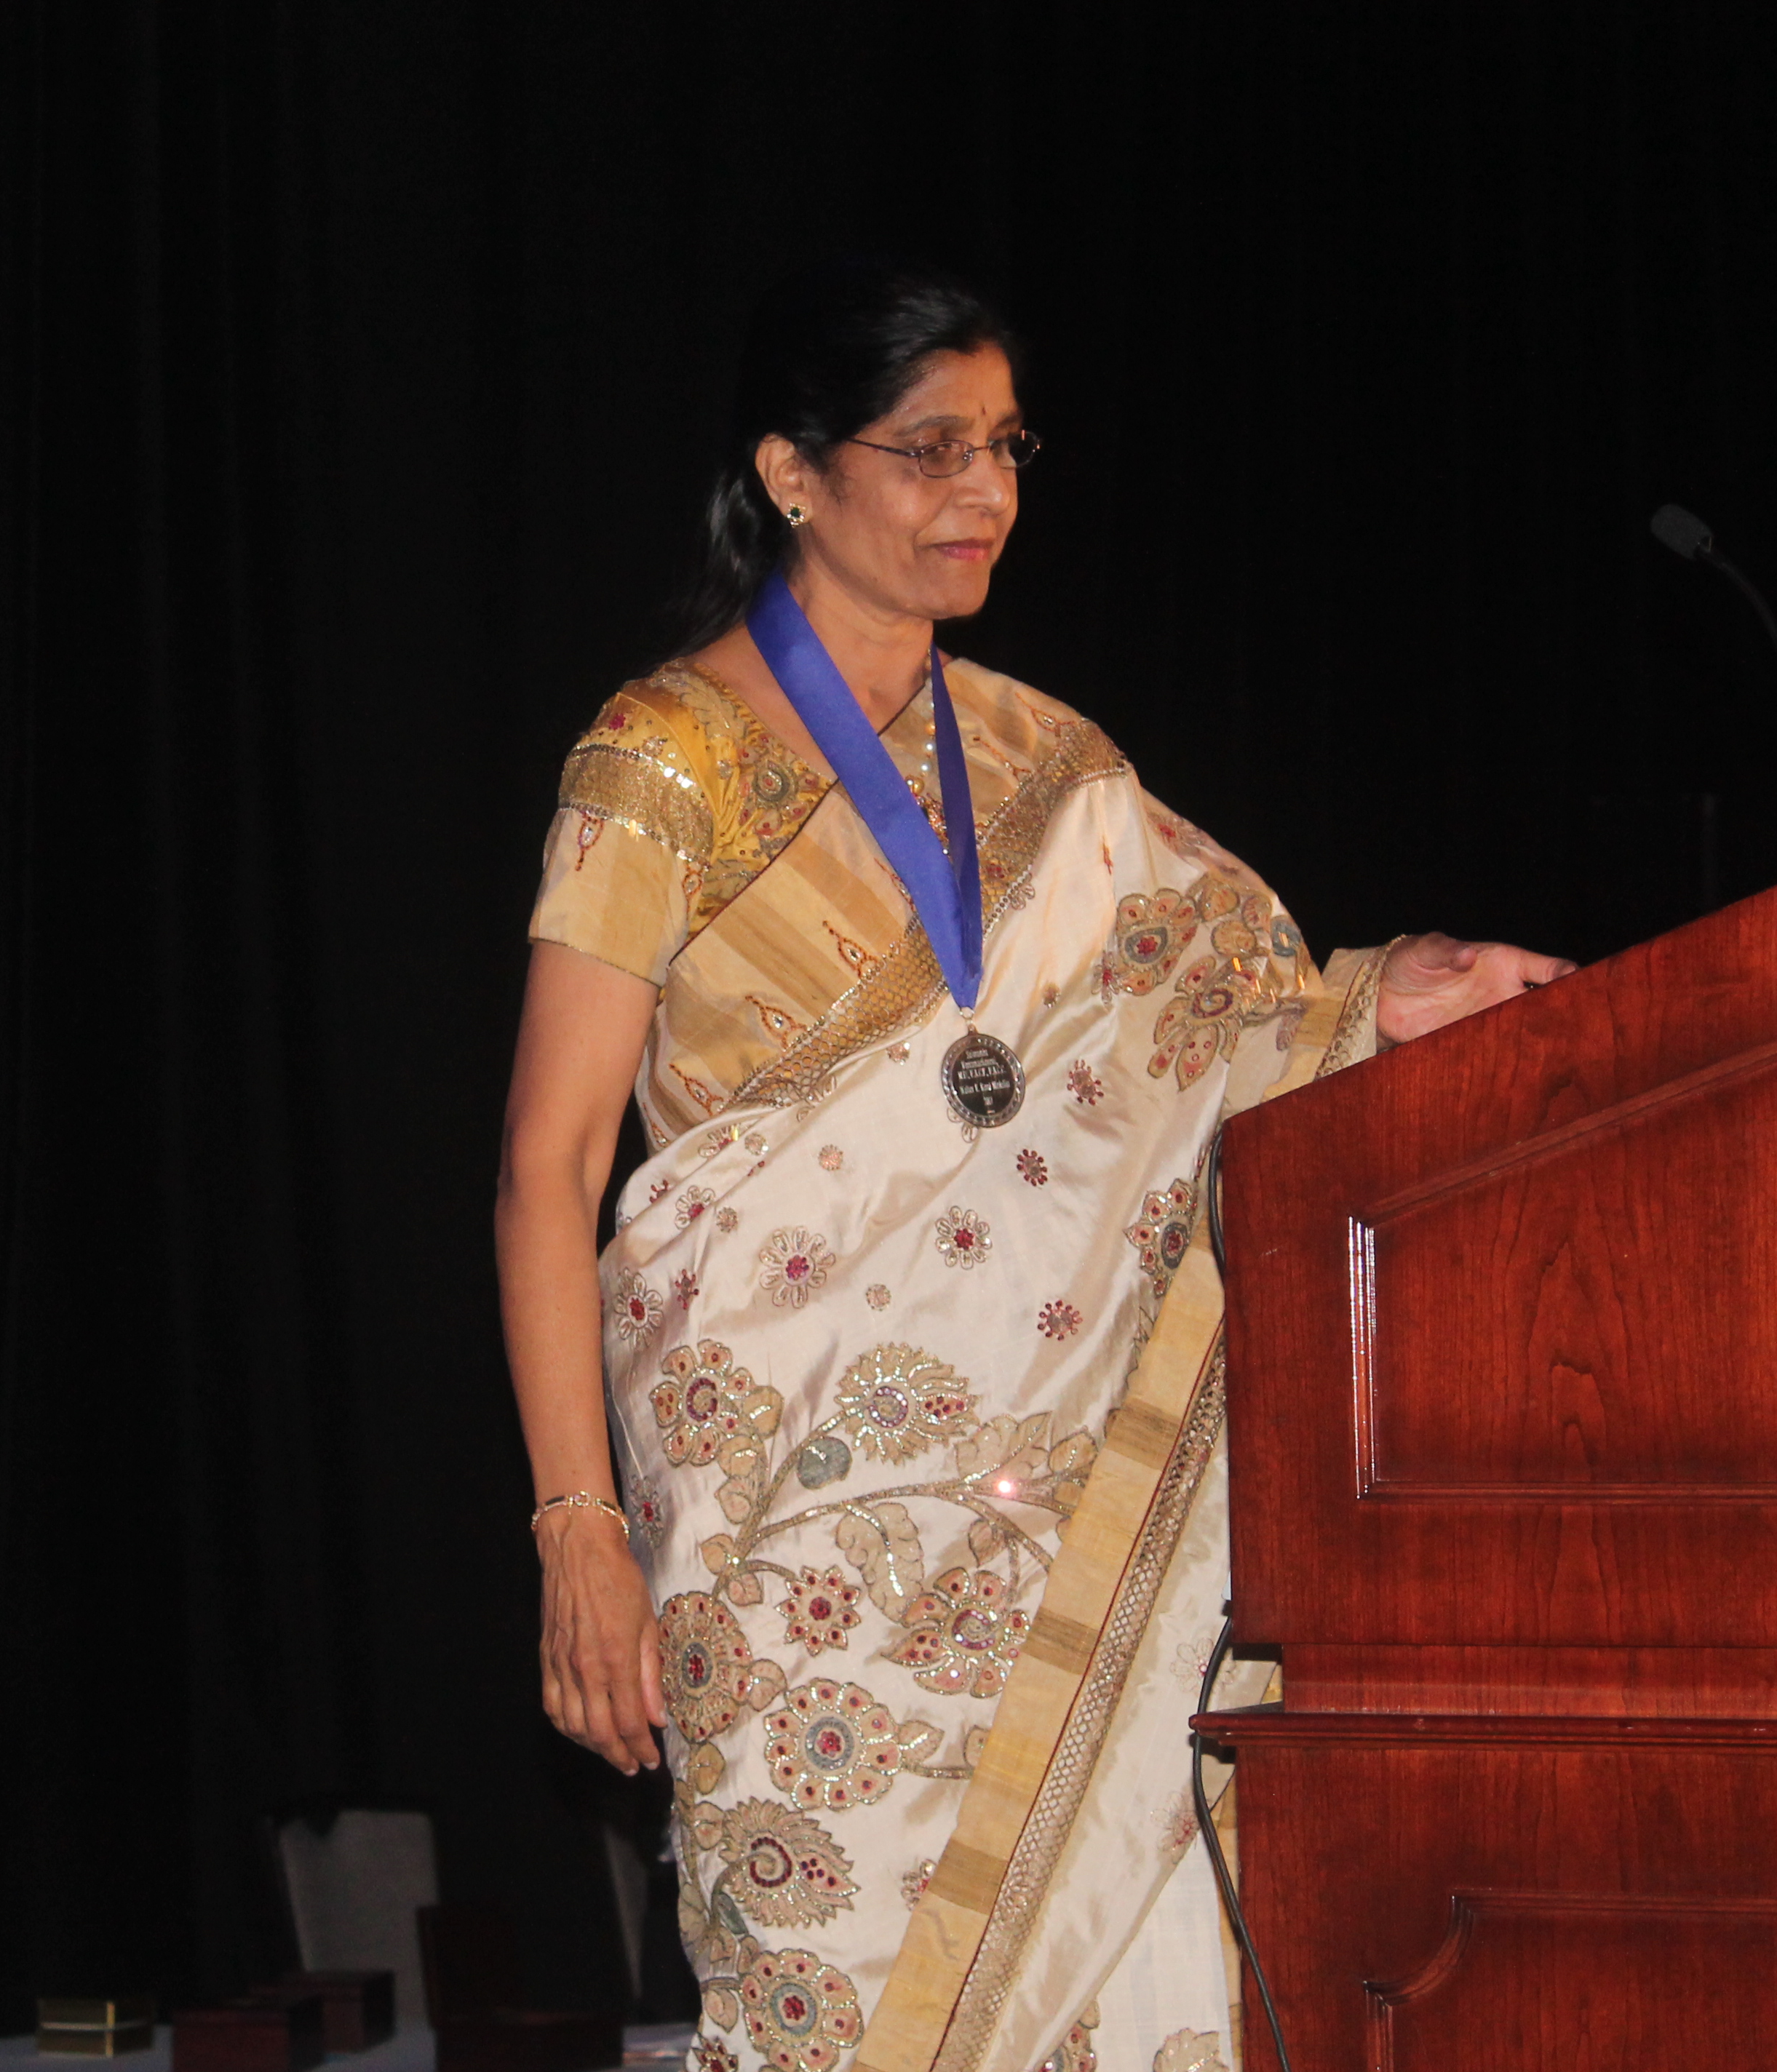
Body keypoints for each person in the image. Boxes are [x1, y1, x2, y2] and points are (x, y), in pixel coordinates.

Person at [495, 260, 1562, 2072]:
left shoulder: (1043, 761)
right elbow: (548, 1165)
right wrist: (573, 1527)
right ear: (792, 472)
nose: (983, 490)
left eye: (1004, 446)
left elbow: (1220, 1009)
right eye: (930, 449)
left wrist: (1381, 1000)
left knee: (1112, 1970)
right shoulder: (662, 762)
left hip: (1054, 1508)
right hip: (787, 1532)